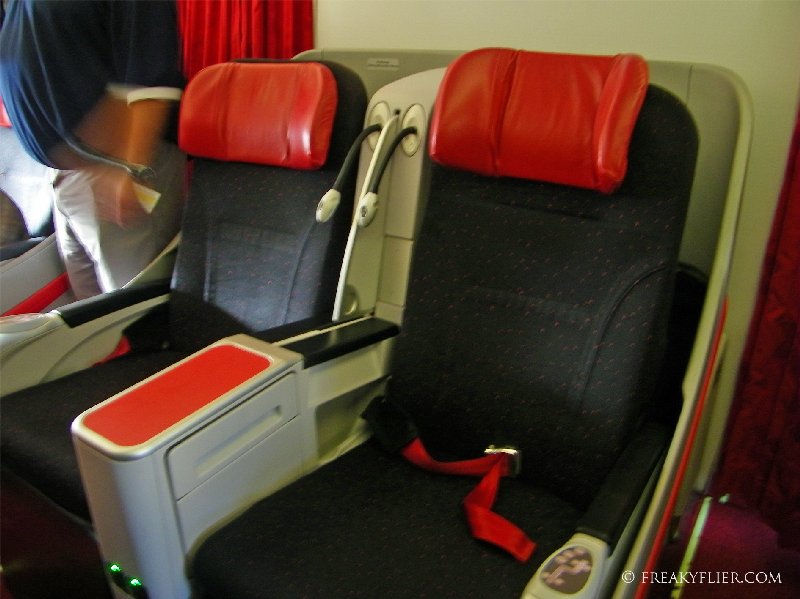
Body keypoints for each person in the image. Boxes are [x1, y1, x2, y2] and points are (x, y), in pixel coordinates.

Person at [0, 0, 186, 298]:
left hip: (119, 169)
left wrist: (130, 167)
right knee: (89, 313)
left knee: (129, 309)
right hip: (67, 173)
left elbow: (152, 80)